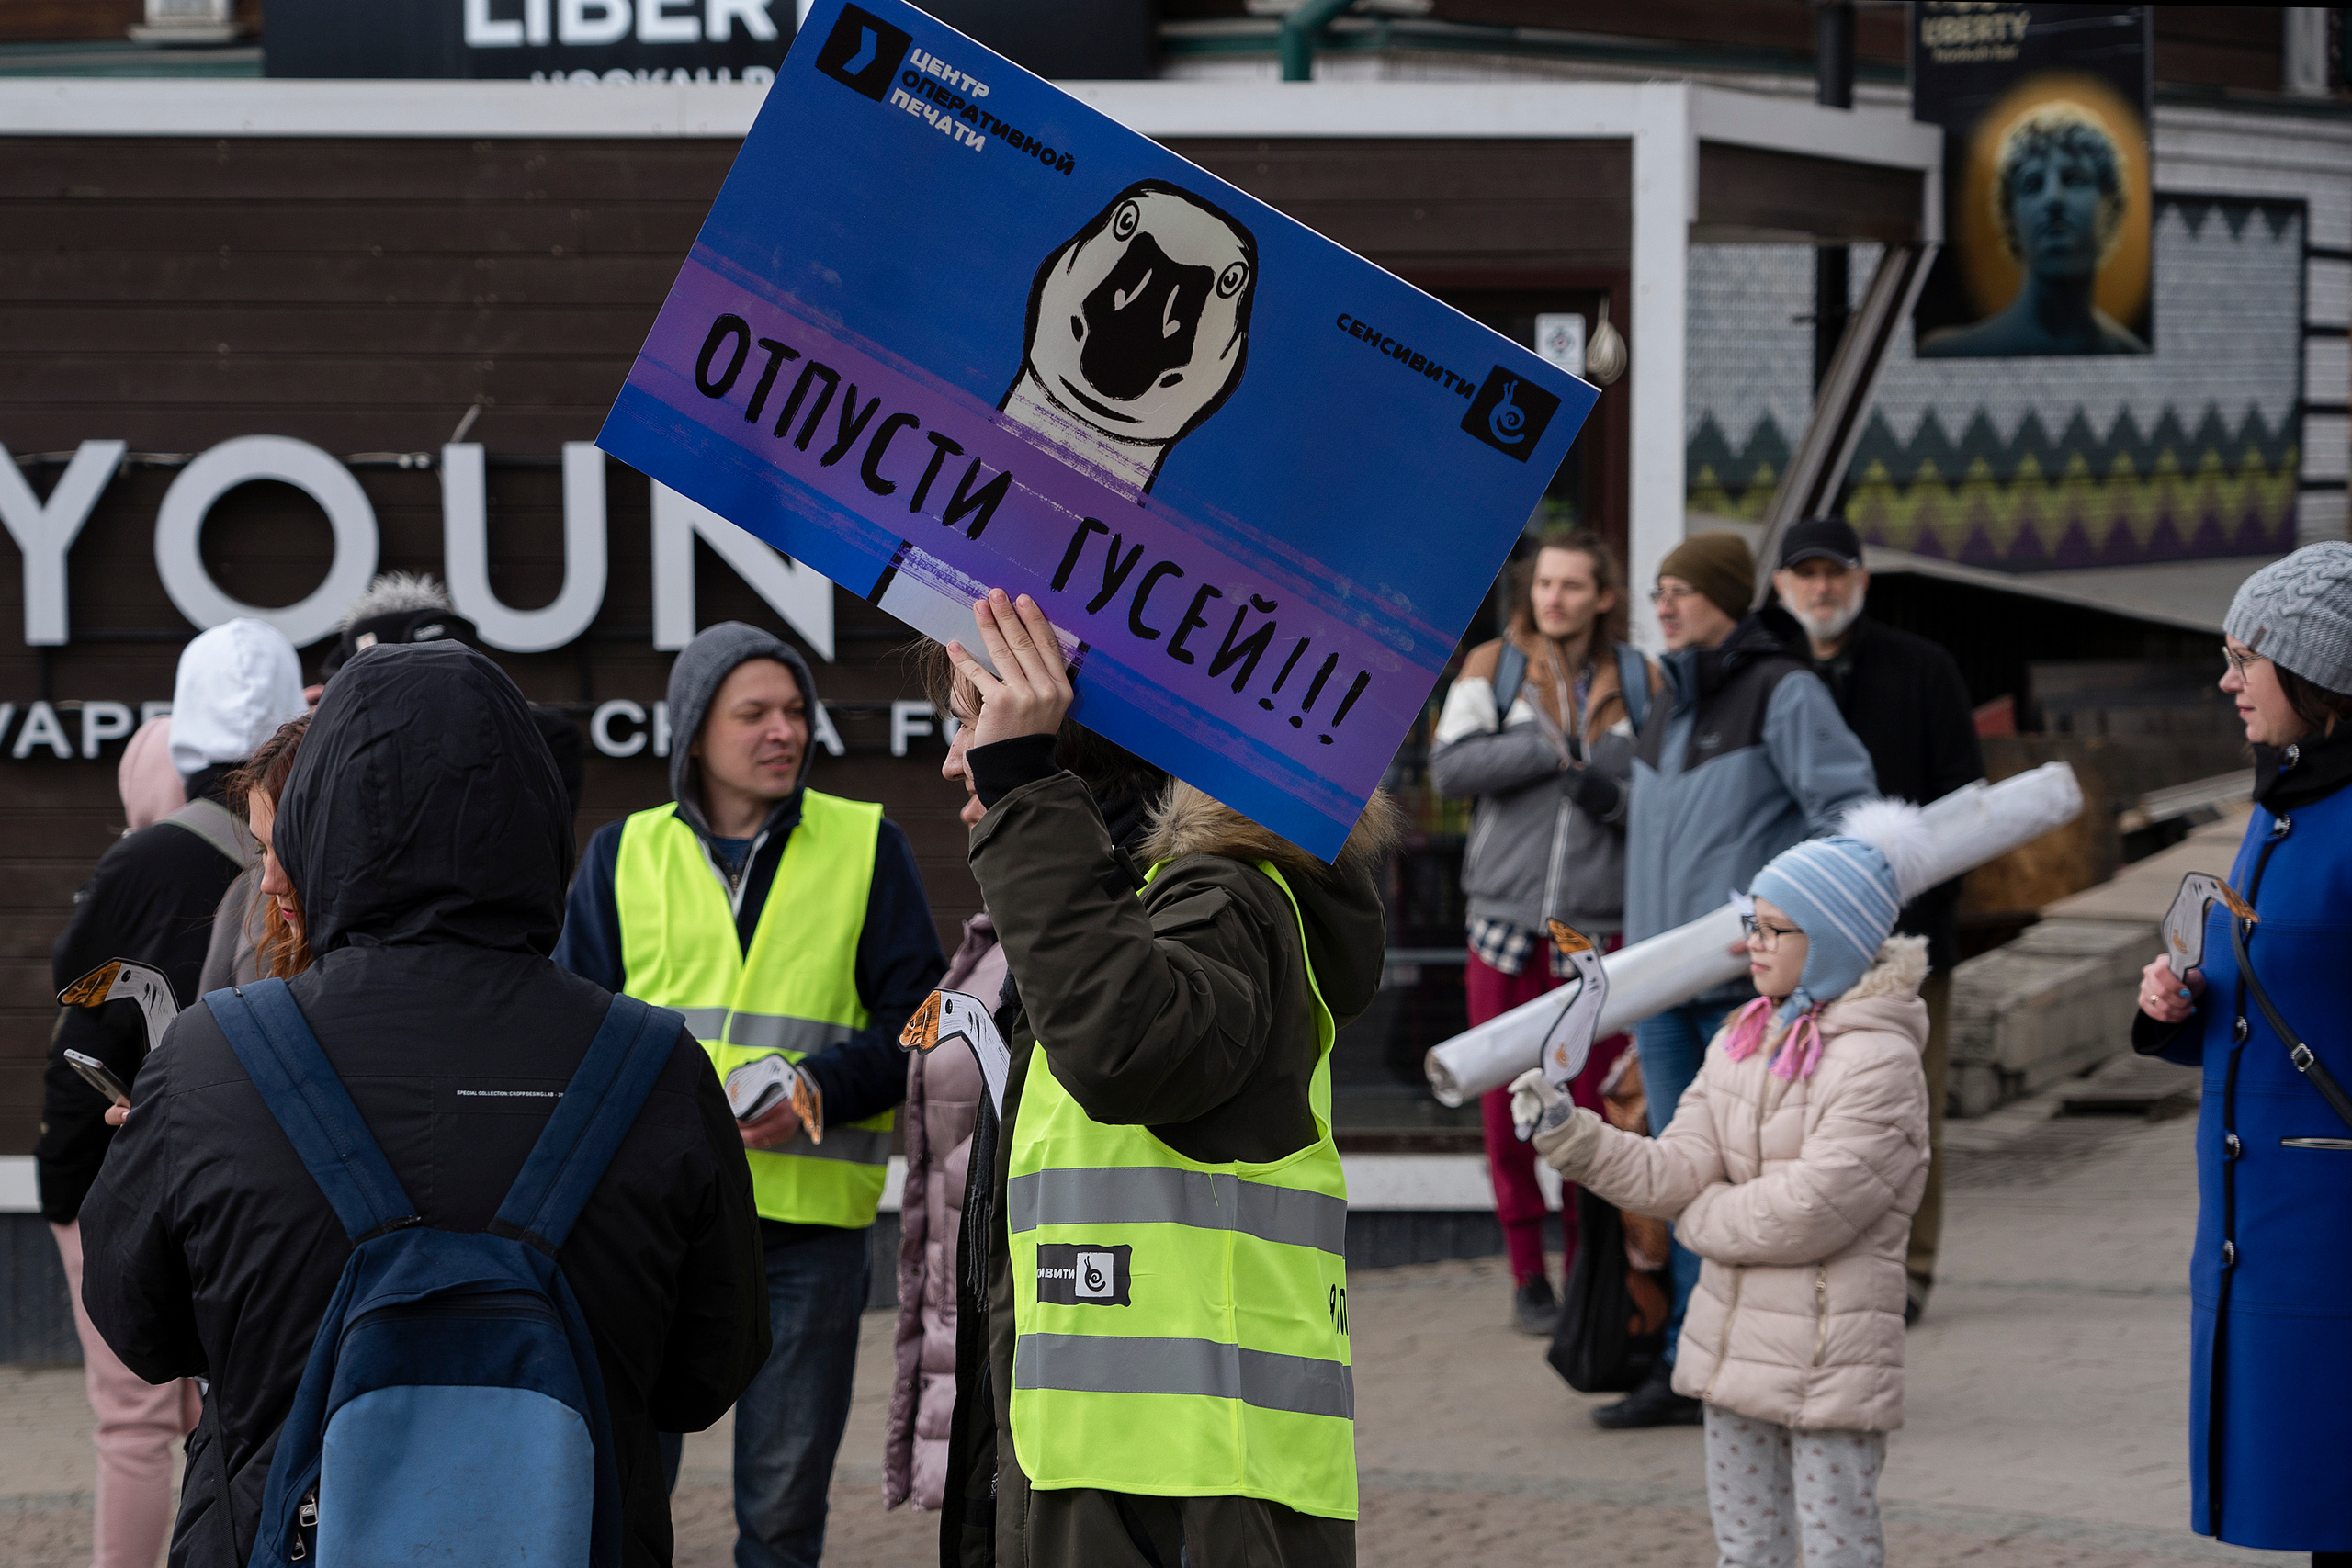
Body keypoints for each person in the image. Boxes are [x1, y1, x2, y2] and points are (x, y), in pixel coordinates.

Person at [77, 640, 769, 1568]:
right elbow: (707, 1373)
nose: (270, 876)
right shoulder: (657, 1069)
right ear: (535, 817)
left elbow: (140, 1327)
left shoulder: (210, 1060)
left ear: (321, 821)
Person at [935, 590, 1392, 1568]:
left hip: (1188, 1492)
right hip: (1129, 1476)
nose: (955, 759)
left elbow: (1128, 1050)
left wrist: (1022, 787)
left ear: (1071, 738)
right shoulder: (1131, 905)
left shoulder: (1224, 899)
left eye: (976, 718)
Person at [554, 621, 945, 1568]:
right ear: (695, 731)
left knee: (780, 1517)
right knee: (626, 1502)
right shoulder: (620, 855)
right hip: (650, 1229)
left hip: (808, 1236)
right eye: (755, 713)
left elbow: (923, 1022)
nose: (785, 730)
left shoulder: (868, 844)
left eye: (796, 711)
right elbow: (572, 1037)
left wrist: (818, 1087)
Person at [1513, 802, 1933, 1568]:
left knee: (1838, 1552)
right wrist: (1573, 1136)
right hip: (1730, 1354)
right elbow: (1676, 1166)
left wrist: (1698, 1221)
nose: (1752, 943)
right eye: (1752, 923)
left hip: (1828, 1363)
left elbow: (1813, 1207)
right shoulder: (1744, 1036)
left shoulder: (1881, 1059)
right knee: (1745, 1552)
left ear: (1833, 938)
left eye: (1774, 929)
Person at [34, 616, 303, 1568]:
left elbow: (79, 996)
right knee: (242, 1410)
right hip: (276, 1183)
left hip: (129, 1164)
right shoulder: (324, 852)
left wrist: (64, 1187)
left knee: (136, 1419)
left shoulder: (143, 860)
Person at [1611, 530, 1876, 1429]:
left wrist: (1771, 921)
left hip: (1742, 990)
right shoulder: (1664, 702)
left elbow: (1847, 815)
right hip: (1659, 990)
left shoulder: (1784, 690)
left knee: (1748, 1185)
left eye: (1682, 589)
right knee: (1681, 1181)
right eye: (1658, 589)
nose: (1664, 604)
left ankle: (1754, 1368)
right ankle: (1691, 1364)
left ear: (1726, 598)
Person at [2132, 542, 2352, 1562]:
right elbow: (2284, 989)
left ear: (2316, 673)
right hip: (2268, 1231)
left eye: (2243, 658)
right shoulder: (2281, 800)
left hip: (2328, 1230)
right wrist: (2181, 1001)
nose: (2225, 681)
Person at [1429, 526, 1658, 1335]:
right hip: (1504, 924)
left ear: (1604, 596)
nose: (1554, 598)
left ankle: (1591, 1271)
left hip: (1594, 932)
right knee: (1507, 1108)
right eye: (1544, 583)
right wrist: (1540, 750)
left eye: (1572, 585)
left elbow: (1665, 804)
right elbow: (1449, 769)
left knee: (1591, 1107)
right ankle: (1528, 1272)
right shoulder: (1493, 666)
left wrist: (1612, 800)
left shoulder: (1642, 680)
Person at [1771, 516, 1982, 1322]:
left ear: (1861, 580)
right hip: (1790, 948)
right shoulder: (1769, 674)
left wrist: (1916, 921)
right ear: (1783, 586)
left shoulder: (1923, 669)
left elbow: (1964, 806)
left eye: (1836, 572)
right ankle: (1818, 1269)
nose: (1822, 587)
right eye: (1807, 573)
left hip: (1908, 944)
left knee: (1907, 1114)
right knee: (1797, 1118)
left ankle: (1909, 1271)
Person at [884, 713, 1006, 1516]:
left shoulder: (1063, 932)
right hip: (978, 1346)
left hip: (1027, 1354)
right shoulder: (993, 941)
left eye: (971, 721)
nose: (952, 772)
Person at [1919, 103, 2146, 358]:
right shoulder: (1948, 352)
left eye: (2073, 179)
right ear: (2010, 217)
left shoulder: (2131, 353)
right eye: (2033, 184)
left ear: (2111, 205)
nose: (2053, 199)